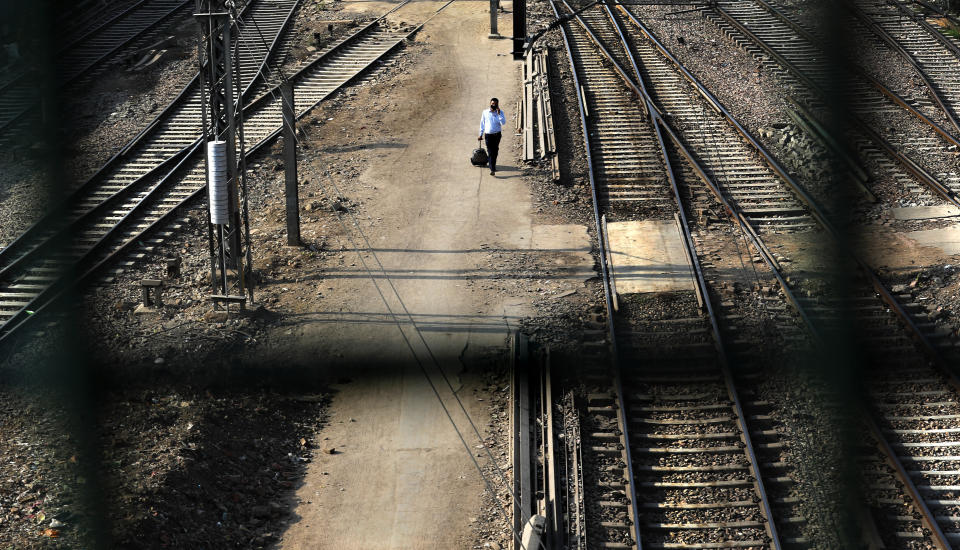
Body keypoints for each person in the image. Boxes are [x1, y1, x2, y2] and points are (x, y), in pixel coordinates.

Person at [478, 97, 506, 175]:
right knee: (490, 151)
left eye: (496, 104)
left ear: (498, 104)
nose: (494, 105)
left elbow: (503, 123)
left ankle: (492, 164)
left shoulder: (501, 112)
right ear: (490, 103)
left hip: (497, 135)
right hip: (488, 135)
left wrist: (499, 114)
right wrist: (480, 134)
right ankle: (492, 169)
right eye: (493, 103)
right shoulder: (485, 112)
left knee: (495, 151)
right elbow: (482, 123)